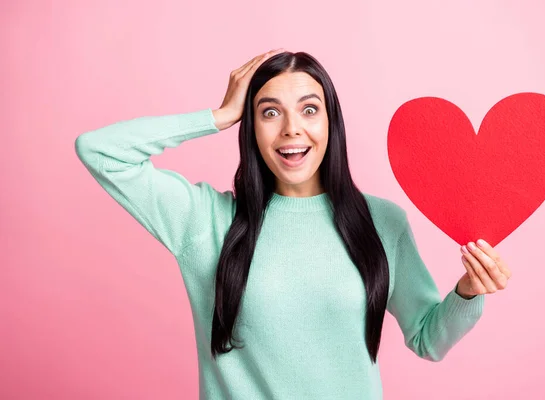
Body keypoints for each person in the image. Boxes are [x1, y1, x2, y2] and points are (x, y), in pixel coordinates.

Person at [74, 48, 511, 399]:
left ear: (330, 122)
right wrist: (219, 116)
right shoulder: (205, 221)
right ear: (251, 128)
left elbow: (428, 339)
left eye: (308, 110)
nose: (290, 130)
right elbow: (99, 150)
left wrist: (468, 292)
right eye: (269, 113)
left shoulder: (381, 222)